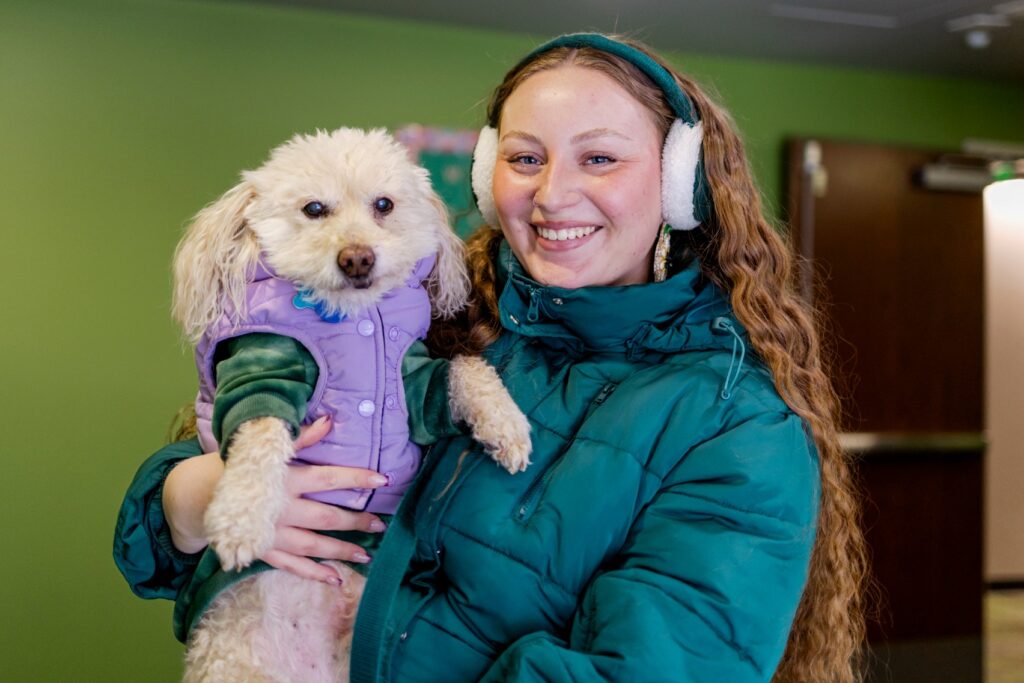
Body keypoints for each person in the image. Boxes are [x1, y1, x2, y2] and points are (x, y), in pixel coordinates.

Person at [115, 33, 866, 682]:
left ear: (679, 183)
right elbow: (160, 537)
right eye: (525, 157)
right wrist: (188, 499)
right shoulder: (435, 310)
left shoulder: (735, 421)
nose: (552, 194)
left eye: (599, 157)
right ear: (485, 173)